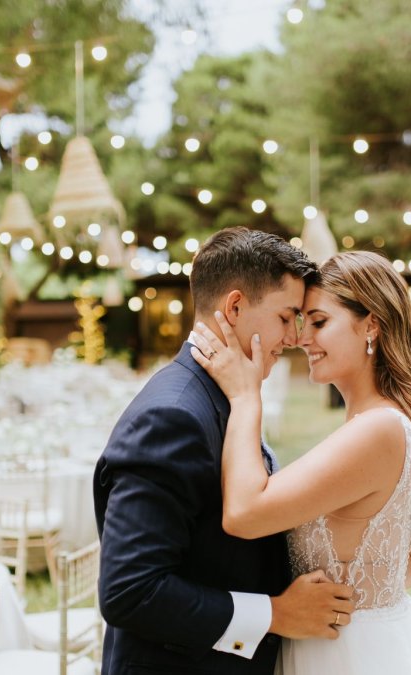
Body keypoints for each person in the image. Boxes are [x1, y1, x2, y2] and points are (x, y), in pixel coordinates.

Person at [190, 251, 411, 674]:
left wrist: (246, 397)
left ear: (371, 324)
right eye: (302, 322)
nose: (303, 338)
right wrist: (361, 587)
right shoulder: (379, 421)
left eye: (320, 322)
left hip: (355, 653)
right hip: (344, 638)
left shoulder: (377, 429)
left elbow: (245, 514)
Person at [94, 228, 355, 675]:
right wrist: (276, 613)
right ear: (234, 307)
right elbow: (130, 591)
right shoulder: (173, 417)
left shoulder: (230, 392)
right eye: (286, 316)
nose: (293, 337)